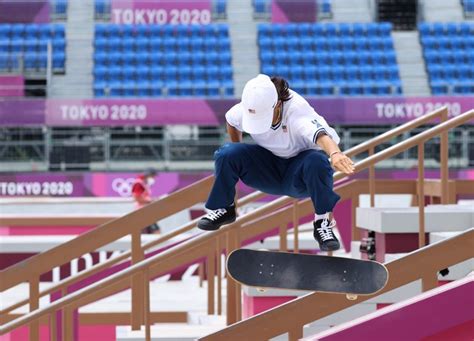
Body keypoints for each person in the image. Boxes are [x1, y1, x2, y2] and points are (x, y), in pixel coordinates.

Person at [197, 74, 355, 251]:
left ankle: (322, 222)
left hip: (299, 175)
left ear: (278, 105)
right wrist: (238, 153)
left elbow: (320, 134)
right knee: (227, 153)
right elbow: (231, 121)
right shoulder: (246, 107)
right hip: (268, 168)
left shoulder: (297, 110)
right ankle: (225, 208)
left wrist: (335, 153)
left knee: (317, 160)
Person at [132, 168, 161, 234]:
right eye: (153, 176)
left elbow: (144, 197)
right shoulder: (139, 183)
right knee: (156, 231)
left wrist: (152, 200)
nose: (154, 178)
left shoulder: (143, 183)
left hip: (146, 211)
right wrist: (151, 201)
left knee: (148, 232)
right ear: (148, 175)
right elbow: (138, 199)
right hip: (142, 212)